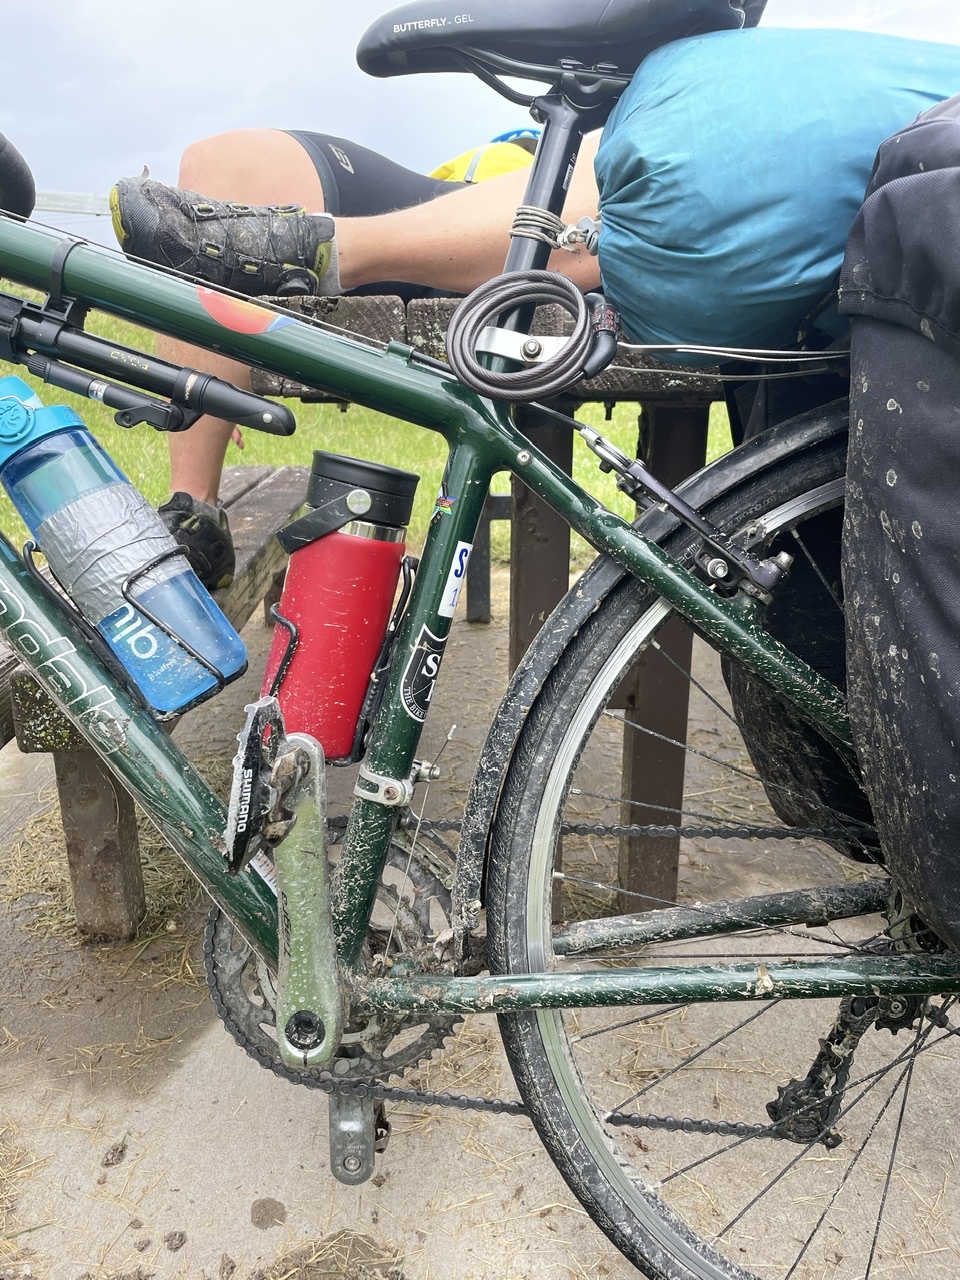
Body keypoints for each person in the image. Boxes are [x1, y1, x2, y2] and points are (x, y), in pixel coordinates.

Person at [111, 128, 603, 588]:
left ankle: (328, 247)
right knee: (218, 162)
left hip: (581, 223)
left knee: (624, 152)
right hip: (465, 199)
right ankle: (194, 519)